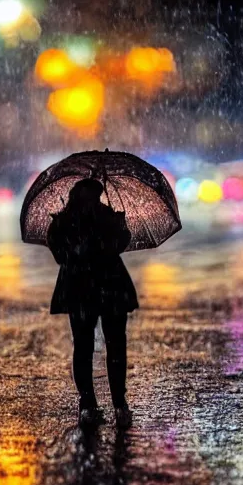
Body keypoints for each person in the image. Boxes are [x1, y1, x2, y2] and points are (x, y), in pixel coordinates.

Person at [47, 179, 138, 428]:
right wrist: (117, 229)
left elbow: (58, 254)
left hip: (80, 287)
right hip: (109, 284)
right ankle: (118, 405)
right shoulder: (105, 216)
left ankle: (89, 405)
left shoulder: (65, 221)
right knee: (114, 344)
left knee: (84, 346)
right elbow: (119, 245)